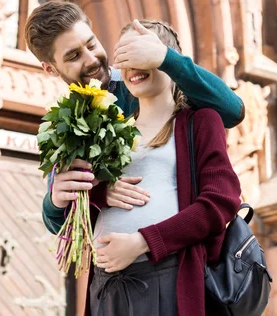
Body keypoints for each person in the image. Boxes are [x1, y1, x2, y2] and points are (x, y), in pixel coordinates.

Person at [53, 20, 242, 315]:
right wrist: (89, 195)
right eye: (124, 58)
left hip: (167, 279)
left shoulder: (200, 121)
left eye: (141, 54)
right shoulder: (110, 128)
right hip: (106, 288)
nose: (132, 66)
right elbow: (81, 212)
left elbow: (220, 203)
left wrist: (142, 242)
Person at [24, 1, 244, 232]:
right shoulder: (64, 125)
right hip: (110, 263)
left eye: (91, 44)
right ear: (50, 68)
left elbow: (232, 112)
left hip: (176, 252)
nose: (91, 59)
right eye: (73, 56)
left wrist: (167, 59)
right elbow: (60, 225)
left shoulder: (150, 81)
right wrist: (60, 202)